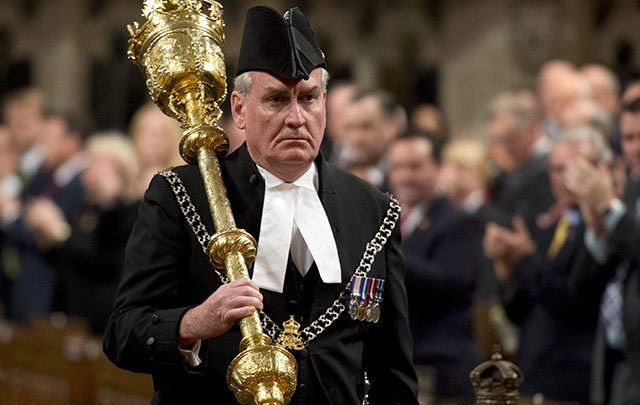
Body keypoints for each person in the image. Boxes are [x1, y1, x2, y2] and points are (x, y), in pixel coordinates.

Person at [104, 6, 418, 405]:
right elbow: (122, 332)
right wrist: (194, 322)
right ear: (239, 110)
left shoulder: (373, 208)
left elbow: (393, 370)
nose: (296, 118)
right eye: (276, 99)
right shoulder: (181, 195)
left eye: (309, 98)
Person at [484, 126, 612, 403]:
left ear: (602, 168)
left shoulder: (602, 229)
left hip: (578, 382)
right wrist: (506, 271)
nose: (561, 179)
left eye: (572, 168)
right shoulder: (550, 225)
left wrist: (524, 260)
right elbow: (523, 312)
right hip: (535, 377)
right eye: (555, 170)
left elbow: (573, 299)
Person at [388, 131, 484, 403]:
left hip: (442, 369)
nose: (406, 176)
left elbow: (451, 283)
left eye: (415, 166)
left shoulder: (459, 221)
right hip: (398, 365)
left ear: (438, 168)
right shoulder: (387, 218)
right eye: (398, 167)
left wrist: (387, 250)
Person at [25, 132, 139, 334]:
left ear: (120, 168)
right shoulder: (86, 207)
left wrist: (59, 231)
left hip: (103, 316)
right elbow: (71, 254)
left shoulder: (130, 212)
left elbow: (104, 259)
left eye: (98, 163)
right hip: (72, 309)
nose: (89, 170)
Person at [566, 95, 640, 405]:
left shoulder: (617, 198)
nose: (635, 147)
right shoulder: (632, 189)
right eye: (628, 137)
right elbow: (581, 289)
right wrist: (597, 230)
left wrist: (609, 208)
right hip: (616, 358)